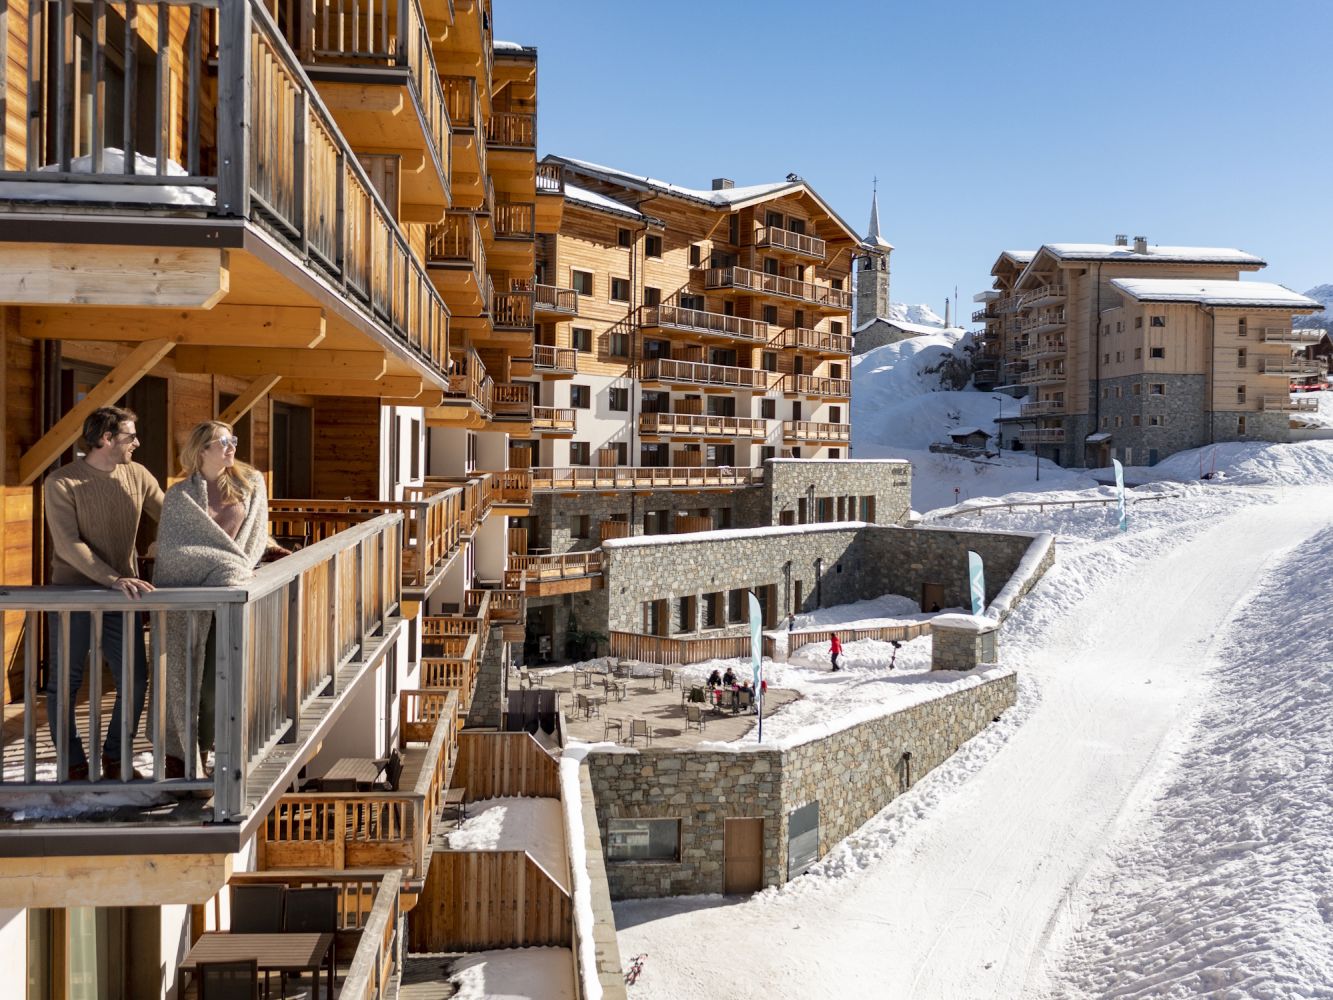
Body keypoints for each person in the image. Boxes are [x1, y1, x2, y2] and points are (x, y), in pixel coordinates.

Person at [155, 421, 287, 778]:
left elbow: (253, 537)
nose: (232, 447)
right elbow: (174, 551)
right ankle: (185, 758)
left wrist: (251, 557)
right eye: (224, 442)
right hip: (191, 598)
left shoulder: (250, 484)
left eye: (234, 440)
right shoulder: (180, 496)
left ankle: (207, 748)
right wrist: (223, 564)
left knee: (217, 682)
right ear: (202, 450)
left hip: (233, 595)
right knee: (183, 680)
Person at [44, 406, 163, 781]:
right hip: (73, 593)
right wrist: (111, 578)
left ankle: (116, 757)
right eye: (130, 437)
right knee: (65, 682)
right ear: (107, 439)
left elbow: (174, 516)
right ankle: (72, 763)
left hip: (124, 594)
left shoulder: (138, 474)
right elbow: (68, 545)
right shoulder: (61, 482)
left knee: (135, 679)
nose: (137, 443)